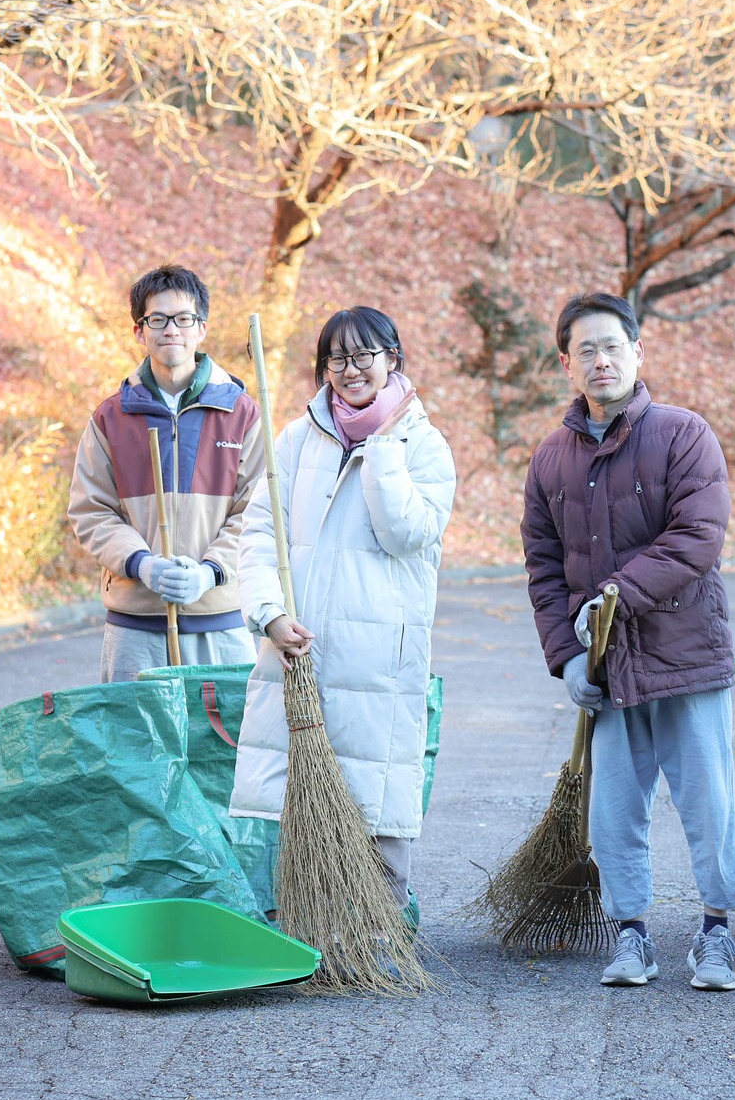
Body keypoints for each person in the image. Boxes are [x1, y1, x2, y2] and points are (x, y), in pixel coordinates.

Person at [520, 291, 735, 991]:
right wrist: (565, 655)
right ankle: (632, 935)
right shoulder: (551, 458)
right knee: (615, 808)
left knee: (710, 801)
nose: (600, 359)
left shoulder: (683, 434)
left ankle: (717, 933)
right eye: (585, 349)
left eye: (612, 345)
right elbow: (543, 565)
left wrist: (611, 598)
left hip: (688, 658)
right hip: (609, 670)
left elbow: (697, 538)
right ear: (566, 363)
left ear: (638, 351)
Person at [229, 307, 456, 916]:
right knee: (295, 794)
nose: (350, 370)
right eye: (337, 358)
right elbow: (259, 532)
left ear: (393, 360)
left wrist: (383, 451)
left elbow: (406, 532)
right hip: (299, 647)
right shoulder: (296, 439)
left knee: (375, 790)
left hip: (378, 656)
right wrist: (269, 614)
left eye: (364, 356)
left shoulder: (425, 447)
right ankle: (302, 923)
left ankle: (377, 932)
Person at [68, 264, 266, 681]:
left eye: (183, 319)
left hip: (221, 620)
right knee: (135, 745)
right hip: (135, 626)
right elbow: (91, 510)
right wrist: (141, 565)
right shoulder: (111, 417)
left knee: (222, 746)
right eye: (156, 320)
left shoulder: (242, 413)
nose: (170, 330)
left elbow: (258, 510)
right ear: (140, 331)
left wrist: (209, 572)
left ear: (202, 329)